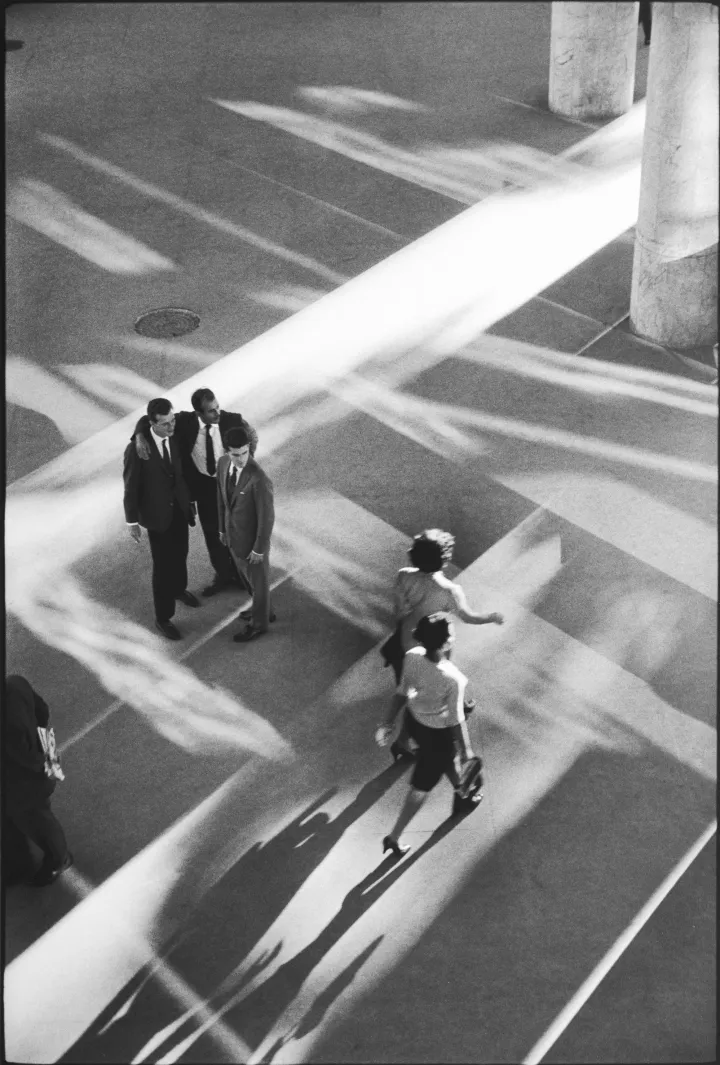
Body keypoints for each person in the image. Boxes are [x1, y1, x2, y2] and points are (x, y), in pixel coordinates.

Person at [382, 529, 503, 760]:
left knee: (412, 685)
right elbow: (468, 617)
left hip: (408, 639)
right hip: (437, 641)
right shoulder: (450, 591)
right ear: (445, 558)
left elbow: (399, 611)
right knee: (430, 684)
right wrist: (491, 617)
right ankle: (405, 740)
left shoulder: (403, 576)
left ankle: (411, 733)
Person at [132, 389, 259, 597]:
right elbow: (147, 420)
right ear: (199, 413)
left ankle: (246, 576)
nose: (218, 413)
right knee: (213, 534)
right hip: (205, 488)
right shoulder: (184, 422)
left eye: (217, 407)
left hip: (230, 484)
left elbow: (252, 436)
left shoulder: (232, 420)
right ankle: (224, 575)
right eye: (211, 411)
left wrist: (246, 461)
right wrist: (139, 436)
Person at [376, 614, 482, 857]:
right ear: (445, 643)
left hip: (415, 723)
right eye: (452, 634)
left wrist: (387, 722)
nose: (454, 637)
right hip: (438, 735)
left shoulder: (411, 657)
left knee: (446, 760)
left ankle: (462, 793)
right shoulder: (452, 679)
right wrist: (467, 751)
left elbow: (402, 692)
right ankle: (394, 837)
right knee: (421, 788)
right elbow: (456, 718)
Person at [123, 397, 200, 640]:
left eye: (172, 420)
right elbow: (130, 487)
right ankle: (163, 617)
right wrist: (131, 521)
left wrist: (189, 501)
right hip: (157, 517)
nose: (171, 427)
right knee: (163, 567)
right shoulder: (137, 450)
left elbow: (192, 416)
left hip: (179, 509)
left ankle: (179, 589)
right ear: (152, 424)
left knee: (182, 553)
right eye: (165, 424)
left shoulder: (175, 432)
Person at [4, 675, 72, 886]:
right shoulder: (15, 683)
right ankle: (18, 863)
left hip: (23, 784)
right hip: (37, 766)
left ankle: (58, 859)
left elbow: (24, 756)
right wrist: (45, 751)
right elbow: (42, 710)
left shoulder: (6, 723)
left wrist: (40, 766)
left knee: (38, 821)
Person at [217, 426, 276, 642]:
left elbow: (267, 518)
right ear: (227, 452)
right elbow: (221, 499)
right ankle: (264, 610)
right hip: (234, 538)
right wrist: (222, 529)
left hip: (253, 545)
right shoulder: (223, 464)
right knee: (250, 583)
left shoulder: (259, 479)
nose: (241, 459)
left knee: (258, 584)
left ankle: (259, 624)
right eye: (236, 454)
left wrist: (259, 549)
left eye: (245, 453)